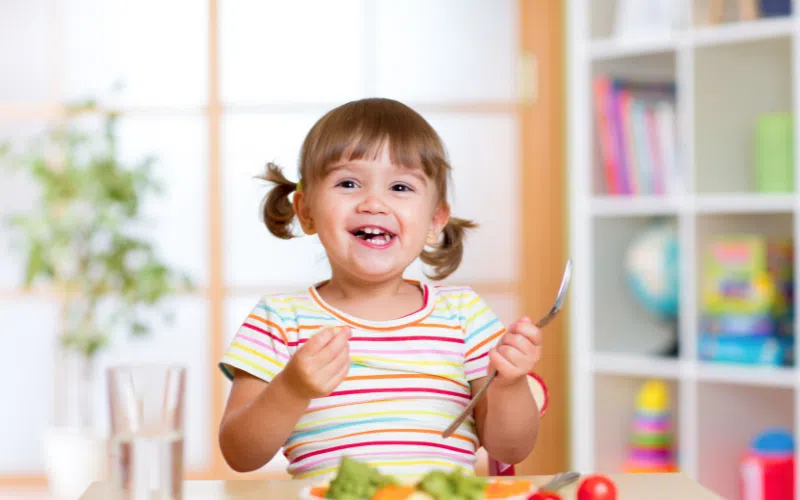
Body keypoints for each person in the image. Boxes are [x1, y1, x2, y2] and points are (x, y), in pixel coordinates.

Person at [217, 97, 542, 481]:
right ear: (306, 211)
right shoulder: (280, 319)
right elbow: (240, 453)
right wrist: (290, 389)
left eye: (400, 187)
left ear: (435, 219)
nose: (374, 203)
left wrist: (509, 384)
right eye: (348, 183)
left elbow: (510, 449)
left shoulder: (464, 315)